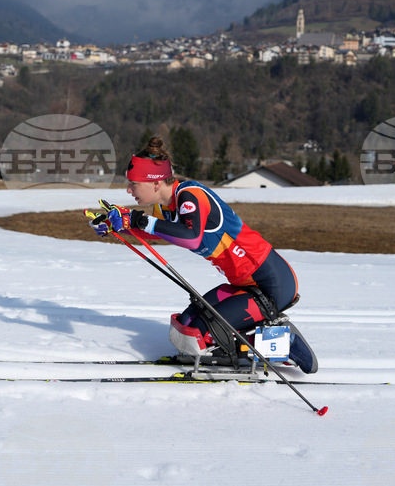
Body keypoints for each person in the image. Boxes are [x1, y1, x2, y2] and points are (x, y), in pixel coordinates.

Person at [89, 136, 317, 374]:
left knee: (202, 333)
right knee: (185, 324)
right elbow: (159, 232)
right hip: (242, 283)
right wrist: (118, 226)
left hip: (272, 285)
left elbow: (191, 236)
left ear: (155, 183)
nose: (128, 189)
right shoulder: (166, 207)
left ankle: (283, 340)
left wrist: (137, 219)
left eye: (133, 183)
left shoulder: (191, 195)